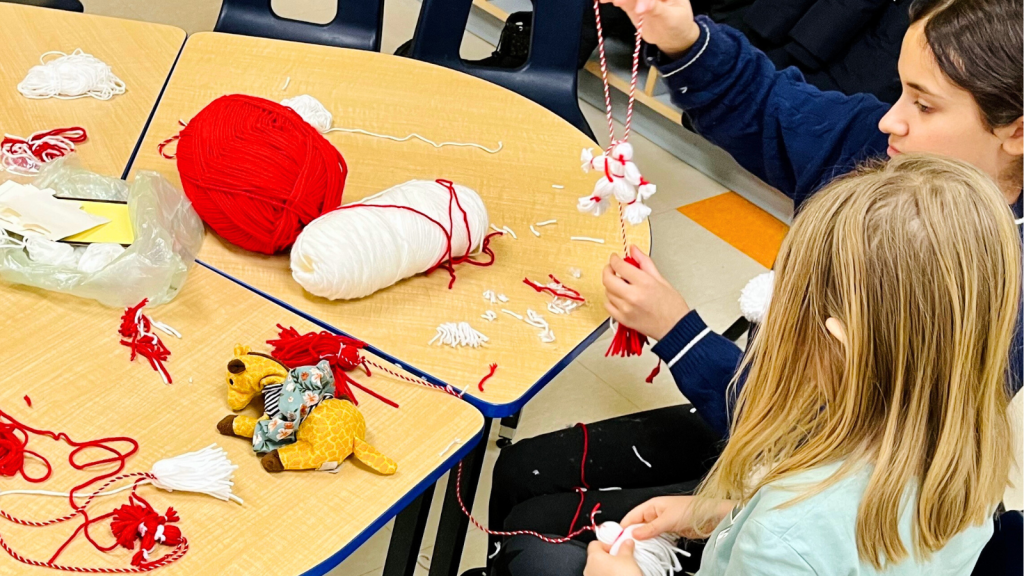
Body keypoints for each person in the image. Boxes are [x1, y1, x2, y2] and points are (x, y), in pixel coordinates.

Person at [485, 0, 1022, 570]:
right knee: (524, 477)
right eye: (901, 90)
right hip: (787, 439)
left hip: (794, 443)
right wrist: (682, 38)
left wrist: (681, 335)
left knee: (535, 542)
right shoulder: (882, 150)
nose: (890, 120)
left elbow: (815, 444)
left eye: (924, 103)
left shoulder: (981, 291)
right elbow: (769, 105)